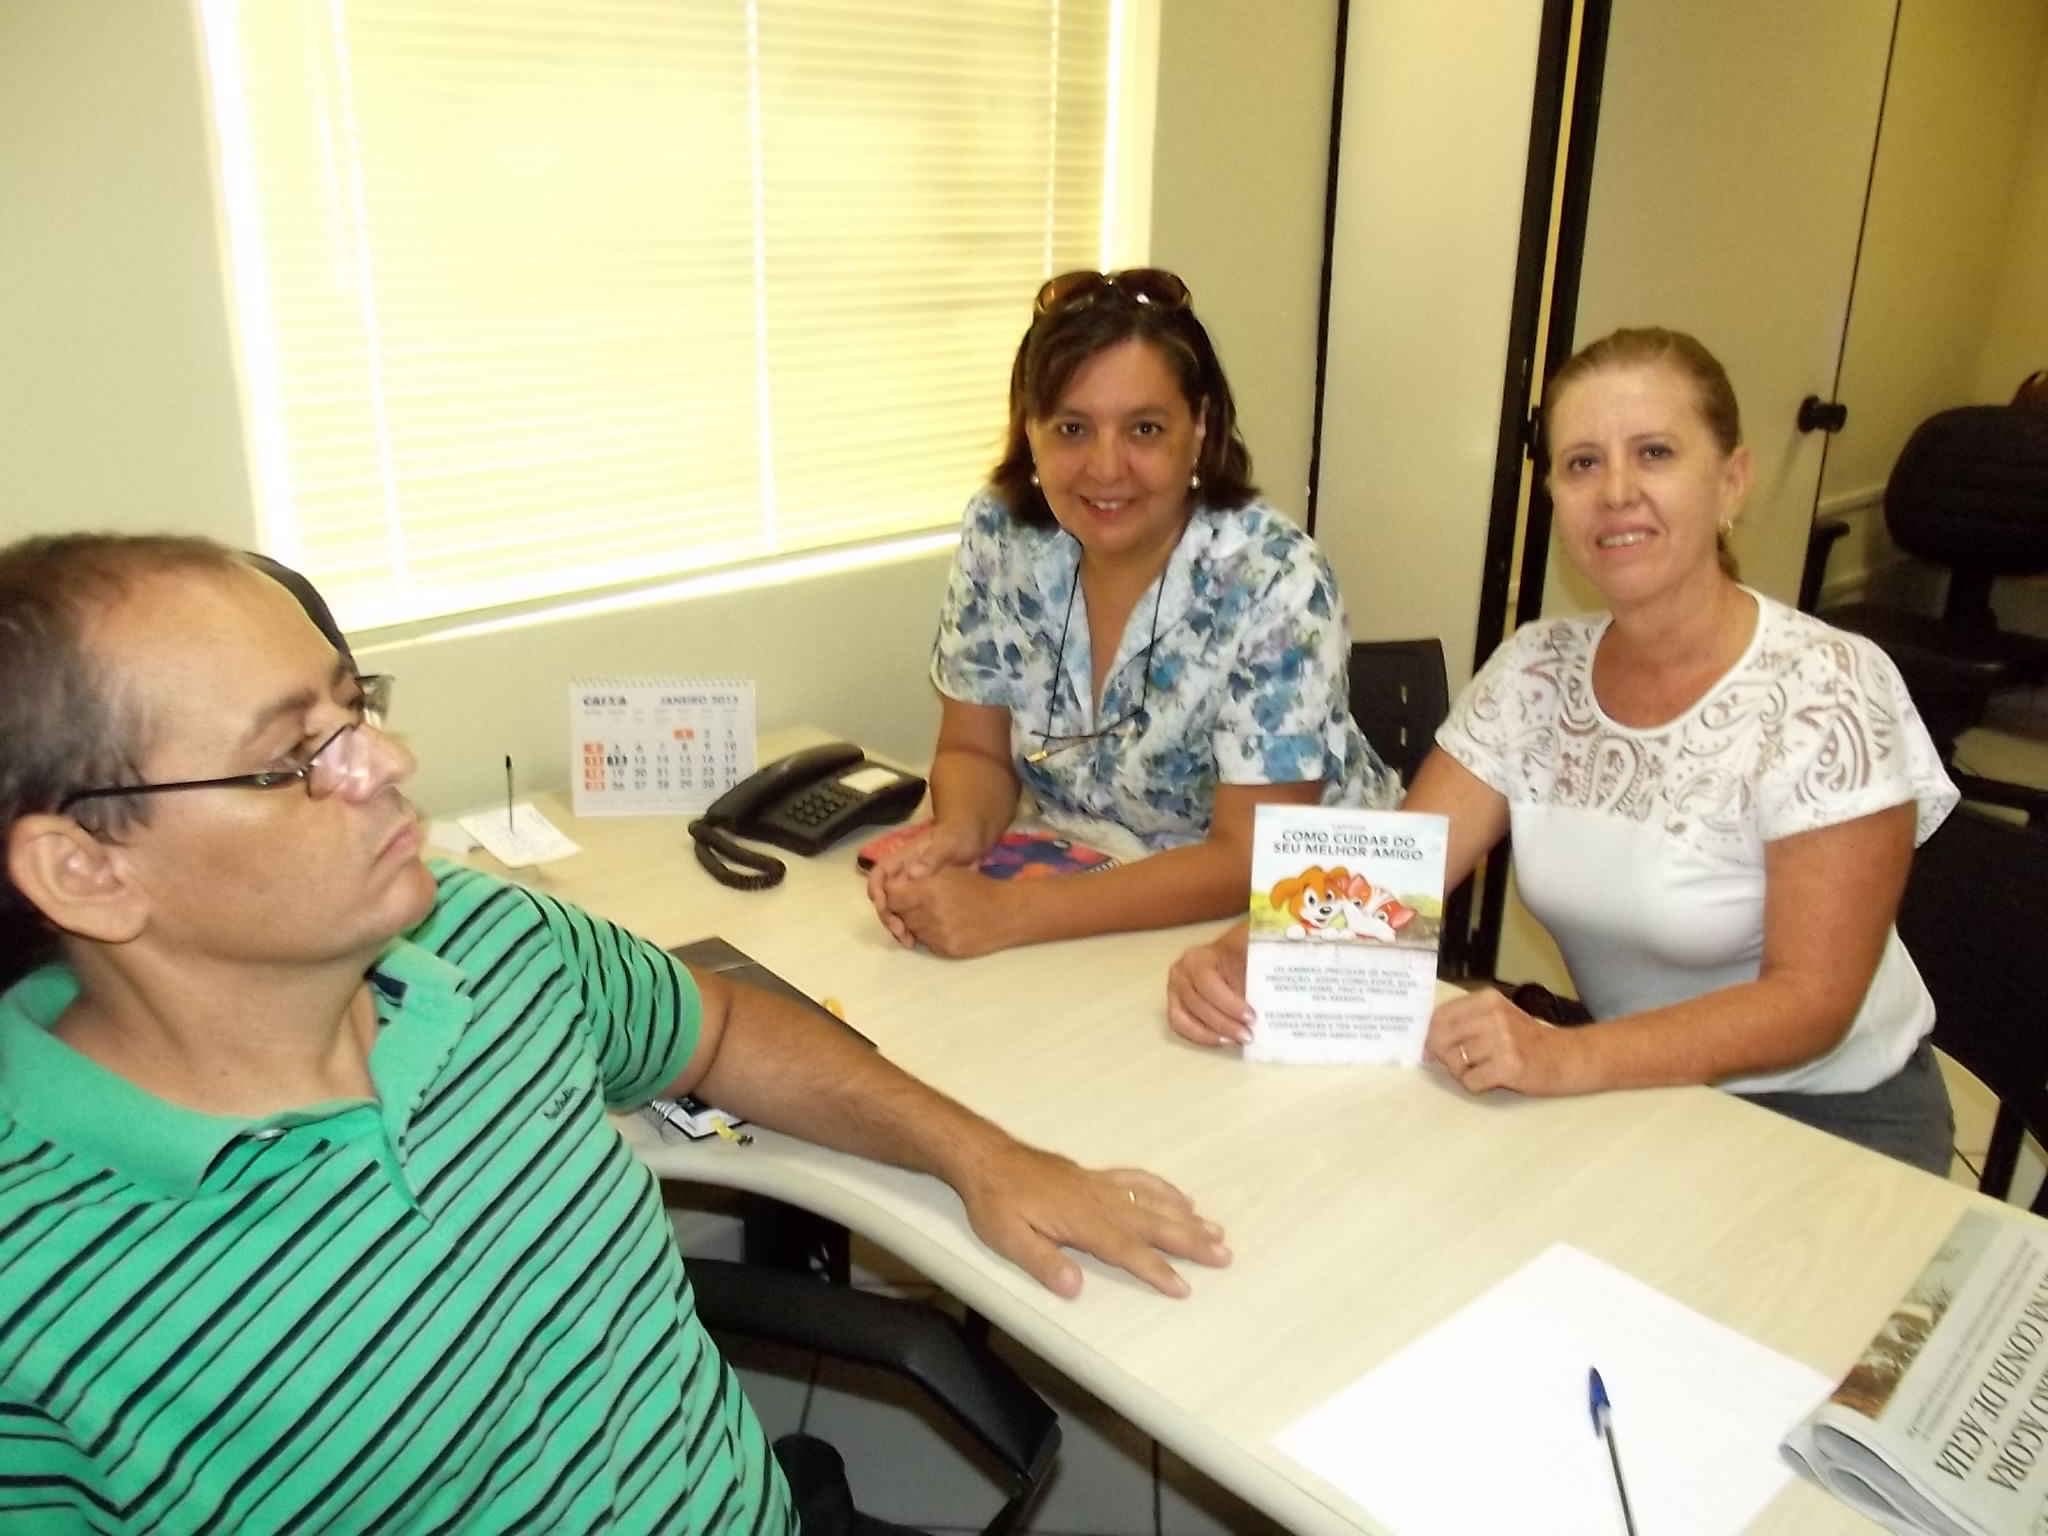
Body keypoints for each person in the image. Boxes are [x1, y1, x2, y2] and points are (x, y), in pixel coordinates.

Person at [0, 534, 1233, 1535]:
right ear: (86, 872)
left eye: (355, 705)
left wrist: (982, 1154)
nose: (388, 762)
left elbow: (722, 1030)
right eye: (291, 759)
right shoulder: (33, 1288)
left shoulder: (485, 937)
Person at [1166, 327, 1959, 1174]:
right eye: (1582, 464)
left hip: (1830, 1117)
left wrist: (1562, 1056)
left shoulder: (1830, 688)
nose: (1616, 492)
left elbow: (1812, 1003)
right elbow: (1390, 885)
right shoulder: (1536, 670)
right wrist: (1245, 955)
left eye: (1654, 453)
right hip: (1635, 1091)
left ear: (1732, 479)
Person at [868, 269, 1398, 958]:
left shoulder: (1275, 578)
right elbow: (974, 749)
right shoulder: (1001, 535)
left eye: (1144, 428)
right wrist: (960, 834)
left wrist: (1009, 914)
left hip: (1307, 925)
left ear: (1200, 428)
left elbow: (1249, 858)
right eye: (1072, 428)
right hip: (1095, 894)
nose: (1106, 467)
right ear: (1030, 431)